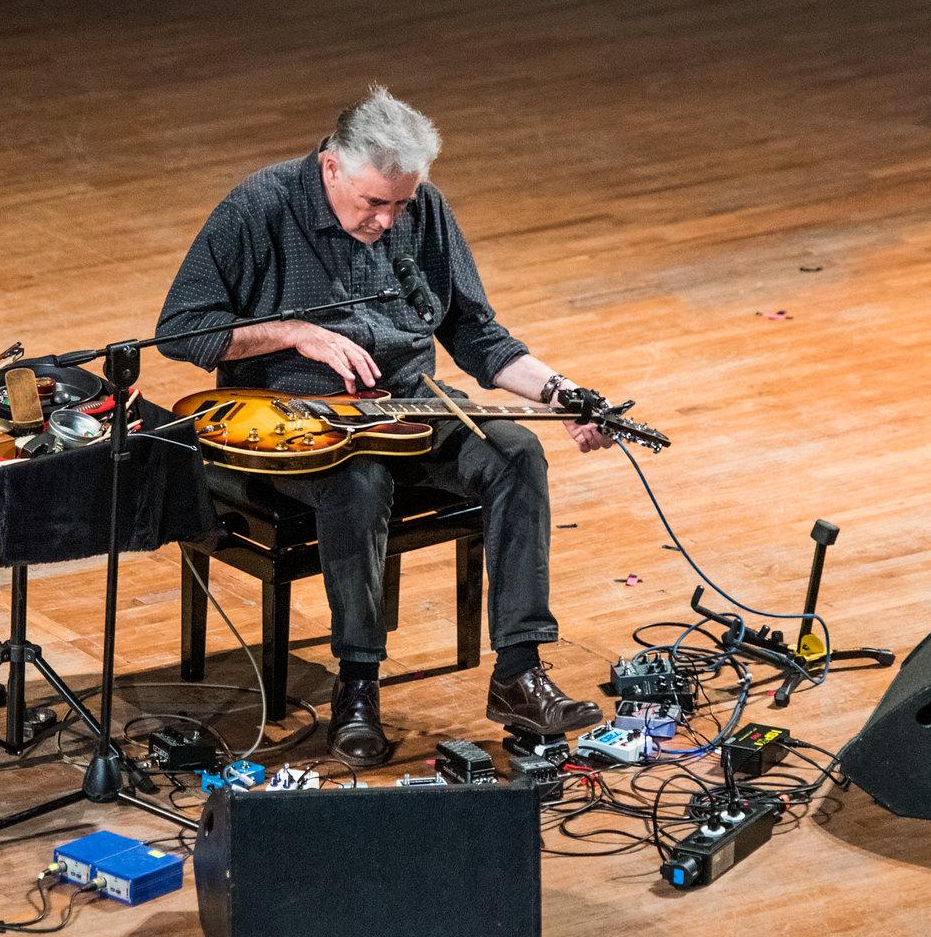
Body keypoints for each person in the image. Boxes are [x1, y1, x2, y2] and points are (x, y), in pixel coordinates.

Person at [158, 86, 608, 767]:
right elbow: (183, 331)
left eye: (401, 204)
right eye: (375, 204)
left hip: (404, 407)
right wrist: (295, 334)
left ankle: (519, 672)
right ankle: (357, 687)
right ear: (331, 166)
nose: (390, 221)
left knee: (514, 451)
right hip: (292, 425)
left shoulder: (420, 209)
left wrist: (560, 392)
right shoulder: (258, 207)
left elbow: (475, 333)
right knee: (358, 483)